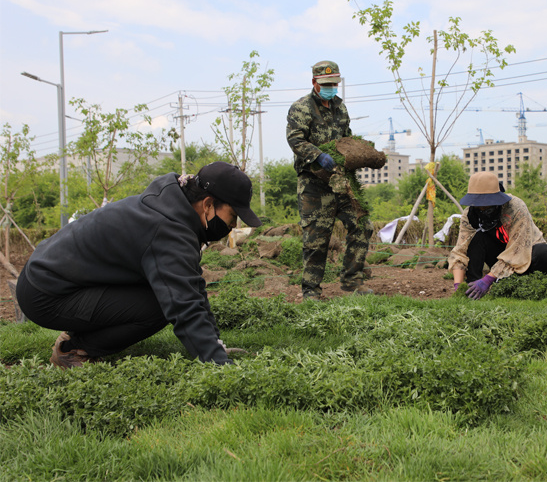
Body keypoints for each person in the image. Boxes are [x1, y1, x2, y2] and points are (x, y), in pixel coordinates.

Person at [16, 162, 262, 369]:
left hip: (53, 275)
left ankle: (79, 335)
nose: (232, 225)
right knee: (160, 305)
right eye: (232, 216)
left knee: (164, 293)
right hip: (46, 292)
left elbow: (192, 286)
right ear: (208, 205)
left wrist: (215, 344)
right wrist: (218, 364)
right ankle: (73, 350)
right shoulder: (167, 229)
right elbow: (183, 304)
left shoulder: (172, 203)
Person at [286, 60, 374, 300]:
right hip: (313, 183)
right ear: (314, 82)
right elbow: (295, 140)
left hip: (341, 181)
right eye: (326, 84)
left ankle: (352, 281)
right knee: (316, 240)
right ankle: (311, 291)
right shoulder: (301, 108)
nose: (331, 87)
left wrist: (360, 152)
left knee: (362, 225)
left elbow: (346, 139)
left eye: (334, 83)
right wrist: (318, 156)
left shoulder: (340, 107)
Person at [449, 171, 547, 300]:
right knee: (477, 239)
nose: (483, 210)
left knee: (546, 253)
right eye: (479, 206)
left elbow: (518, 249)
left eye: (487, 206)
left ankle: (521, 281)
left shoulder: (515, 207)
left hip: (527, 253)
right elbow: (460, 250)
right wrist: (457, 286)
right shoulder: (470, 215)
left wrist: (488, 280)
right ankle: (473, 288)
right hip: (500, 255)